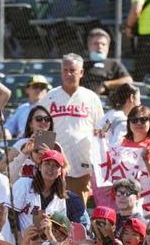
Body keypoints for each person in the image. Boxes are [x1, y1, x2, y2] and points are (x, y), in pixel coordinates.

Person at [40, 53, 104, 203]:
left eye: (73, 70)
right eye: (65, 70)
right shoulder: (50, 96)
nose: (68, 74)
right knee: (51, 207)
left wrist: (102, 131)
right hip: (54, 166)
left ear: (81, 73)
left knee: (77, 211)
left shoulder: (91, 97)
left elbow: (103, 126)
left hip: (82, 165)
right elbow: (41, 128)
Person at [11, 150, 67, 233]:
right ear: (40, 167)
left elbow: (61, 226)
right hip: (21, 241)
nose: (50, 168)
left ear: (60, 172)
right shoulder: (23, 184)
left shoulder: (60, 197)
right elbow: (11, 214)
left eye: (56, 165)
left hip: (45, 244)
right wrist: (19, 239)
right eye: (47, 163)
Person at [82, 28, 133, 95]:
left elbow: (128, 80)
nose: (100, 47)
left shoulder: (114, 64)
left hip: (107, 101)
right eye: (96, 43)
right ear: (89, 46)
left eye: (103, 44)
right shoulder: (81, 64)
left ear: (108, 47)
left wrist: (105, 85)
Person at [5, 75, 52, 139]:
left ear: (46, 90)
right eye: (35, 86)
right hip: (22, 143)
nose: (39, 90)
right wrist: (6, 132)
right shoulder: (22, 108)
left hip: (43, 142)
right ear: (27, 89)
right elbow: (8, 127)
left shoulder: (51, 108)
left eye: (42, 87)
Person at [98, 83, 141, 147]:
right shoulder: (123, 121)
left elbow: (102, 132)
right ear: (131, 98)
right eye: (139, 99)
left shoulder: (111, 114)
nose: (140, 103)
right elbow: (117, 147)